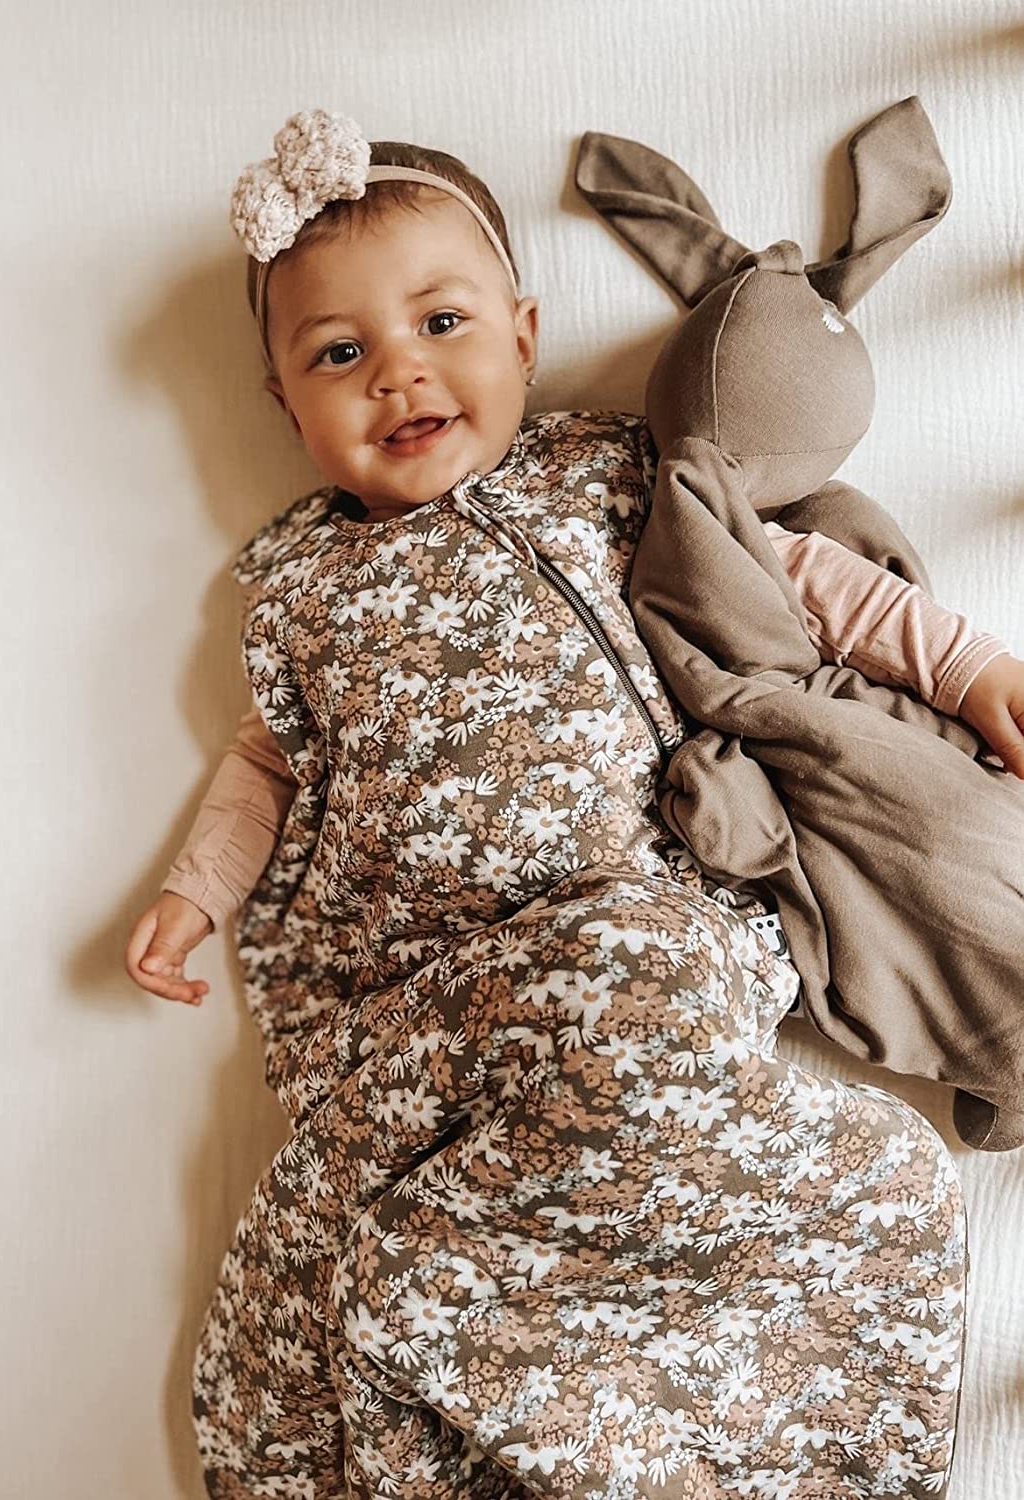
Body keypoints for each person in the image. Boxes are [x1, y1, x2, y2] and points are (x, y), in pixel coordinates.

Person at [124, 110, 1015, 1494]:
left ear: (526, 337)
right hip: (421, 978)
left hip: (651, 925)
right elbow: (267, 764)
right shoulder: (300, 590)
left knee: (658, 1033)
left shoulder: (609, 477)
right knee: (364, 1175)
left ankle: (494, 1308)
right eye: (339, 354)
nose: (400, 372)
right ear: (284, 405)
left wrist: (968, 670)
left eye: (442, 323)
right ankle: (456, 1305)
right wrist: (193, 895)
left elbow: (796, 579)